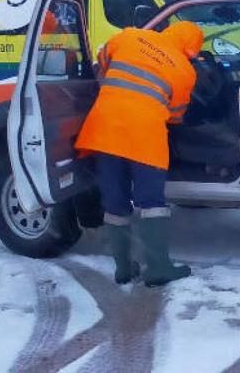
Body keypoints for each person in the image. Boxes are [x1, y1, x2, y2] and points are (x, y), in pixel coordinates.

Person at [75, 21, 204, 285]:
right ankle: (158, 268)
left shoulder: (130, 35)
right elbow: (176, 116)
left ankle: (123, 268)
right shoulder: (186, 71)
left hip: (105, 129)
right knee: (150, 202)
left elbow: (101, 60)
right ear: (190, 48)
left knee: (115, 202)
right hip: (145, 138)